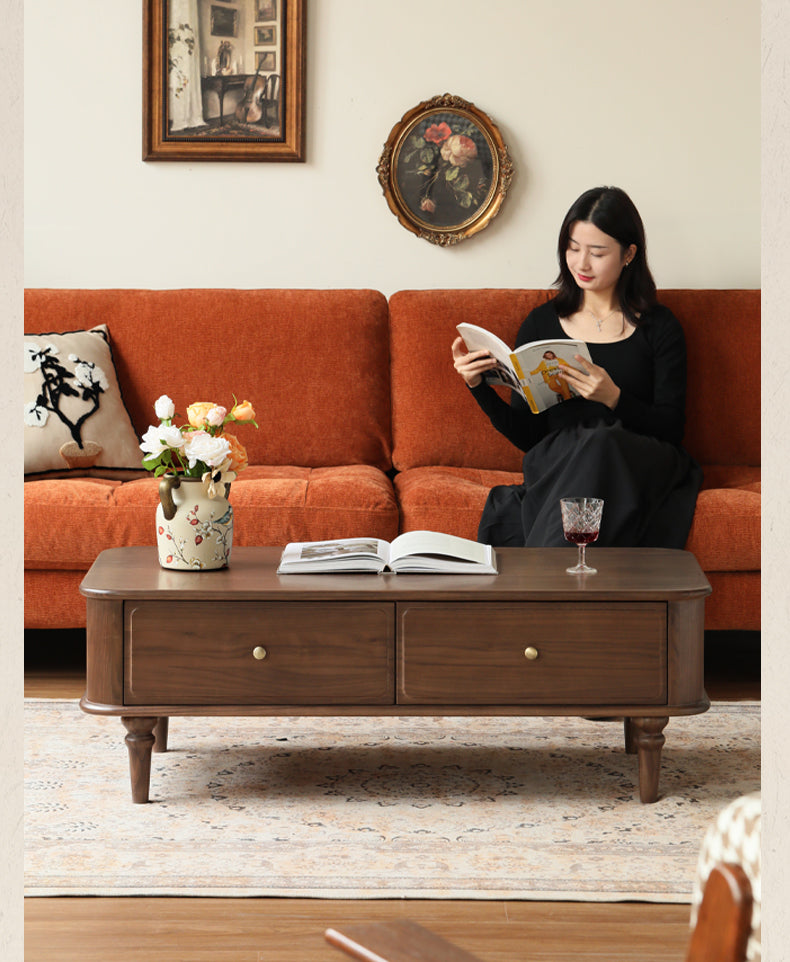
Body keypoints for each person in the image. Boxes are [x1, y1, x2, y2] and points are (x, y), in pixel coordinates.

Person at [451, 185, 702, 549]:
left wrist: (613, 398)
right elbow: (529, 439)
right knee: (582, 444)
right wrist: (480, 388)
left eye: (597, 252)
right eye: (573, 248)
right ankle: (562, 582)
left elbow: (672, 429)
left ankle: (543, 581)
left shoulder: (659, 326)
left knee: (600, 439)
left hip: (637, 461)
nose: (581, 264)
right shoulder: (541, 325)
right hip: (560, 464)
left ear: (629, 254)